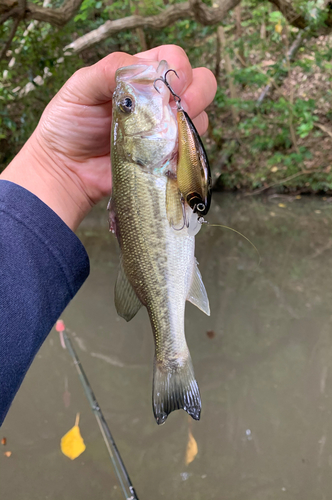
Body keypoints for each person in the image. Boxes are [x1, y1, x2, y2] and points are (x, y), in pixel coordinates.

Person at [0, 45, 217, 425]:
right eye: (129, 108)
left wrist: (54, 166)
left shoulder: (153, 161)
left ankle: (173, 362)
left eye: (126, 106)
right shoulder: (152, 162)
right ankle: (173, 360)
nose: (131, 101)